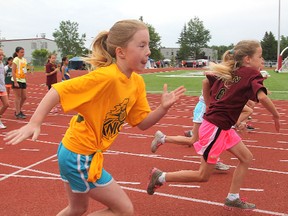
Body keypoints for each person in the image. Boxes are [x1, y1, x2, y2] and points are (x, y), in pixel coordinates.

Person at [4, 19, 186, 216]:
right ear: (121, 51)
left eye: (148, 45)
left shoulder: (136, 83)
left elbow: (142, 123)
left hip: (76, 151)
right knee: (123, 210)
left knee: (77, 209)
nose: (148, 50)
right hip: (79, 155)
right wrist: (34, 122)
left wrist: (162, 108)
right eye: (142, 45)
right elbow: (58, 90)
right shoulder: (106, 77)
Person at [147, 40, 280, 211]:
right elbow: (262, 97)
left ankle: (233, 197)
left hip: (221, 127)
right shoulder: (250, 74)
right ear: (247, 59)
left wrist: (209, 105)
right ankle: (161, 177)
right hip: (215, 128)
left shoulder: (231, 71)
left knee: (246, 158)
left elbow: (205, 82)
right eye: (260, 56)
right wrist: (276, 116)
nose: (262, 60)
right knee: (203, 175)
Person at [151, 92, 230, 171]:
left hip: (212, 109)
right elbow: (205, 82)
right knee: (194, 139)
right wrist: (207, 104)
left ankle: (214, 158)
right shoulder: (212, 80)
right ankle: (162, 138)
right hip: (205, 108)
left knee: (218, 135)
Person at [11, 47, 28, 119]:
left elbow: (25, 70)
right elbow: (13, 71)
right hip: (17, 80)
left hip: (23, 80)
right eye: (21, 52)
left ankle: (18, 110)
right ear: (17, 53)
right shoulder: (16, 59)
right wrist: (15, 81)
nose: (22, 53)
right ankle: (18, 112)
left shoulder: (24, 60)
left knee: (24, 97)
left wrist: (25, 79)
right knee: (18, 97)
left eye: (23, 52)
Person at [0, 49, 10, 129]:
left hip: (2, 87)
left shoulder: (2, 64)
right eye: (0, 55)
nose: (1, 56)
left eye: (2, 55)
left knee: (6, 104)